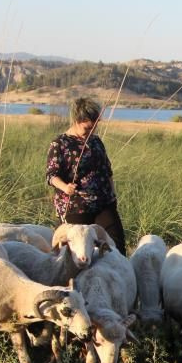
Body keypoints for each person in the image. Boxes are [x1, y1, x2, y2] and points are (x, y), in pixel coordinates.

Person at [46, 97, 126, 254]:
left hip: (104, 203)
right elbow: (51, 175)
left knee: (116, 248)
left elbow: (107, 169)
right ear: (77, 120)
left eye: (94, 127)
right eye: (87, 128)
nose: (91, 132)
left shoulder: (96, 141)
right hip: (76, 206)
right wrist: (65, 187)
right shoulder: (59, 144)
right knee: (77, 253)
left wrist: (113, 194)